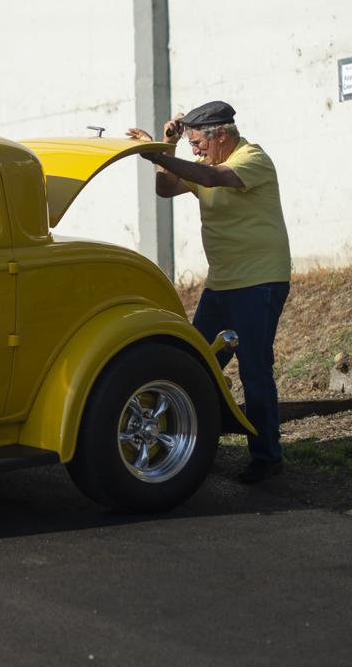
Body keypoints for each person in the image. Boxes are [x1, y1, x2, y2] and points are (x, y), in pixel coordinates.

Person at [126, 101, 291, 484]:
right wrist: (166, 149)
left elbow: (213, 178)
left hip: (260, 281)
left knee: (253, 366)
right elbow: (165, 188)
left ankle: (268, 457)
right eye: (192, 144)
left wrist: (155, 151)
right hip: (222, 282)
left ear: (221, 135)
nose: (195, 150)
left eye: (198, 143)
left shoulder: (252, 159)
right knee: (195, 364)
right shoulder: (204, 164)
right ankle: (190, 447)